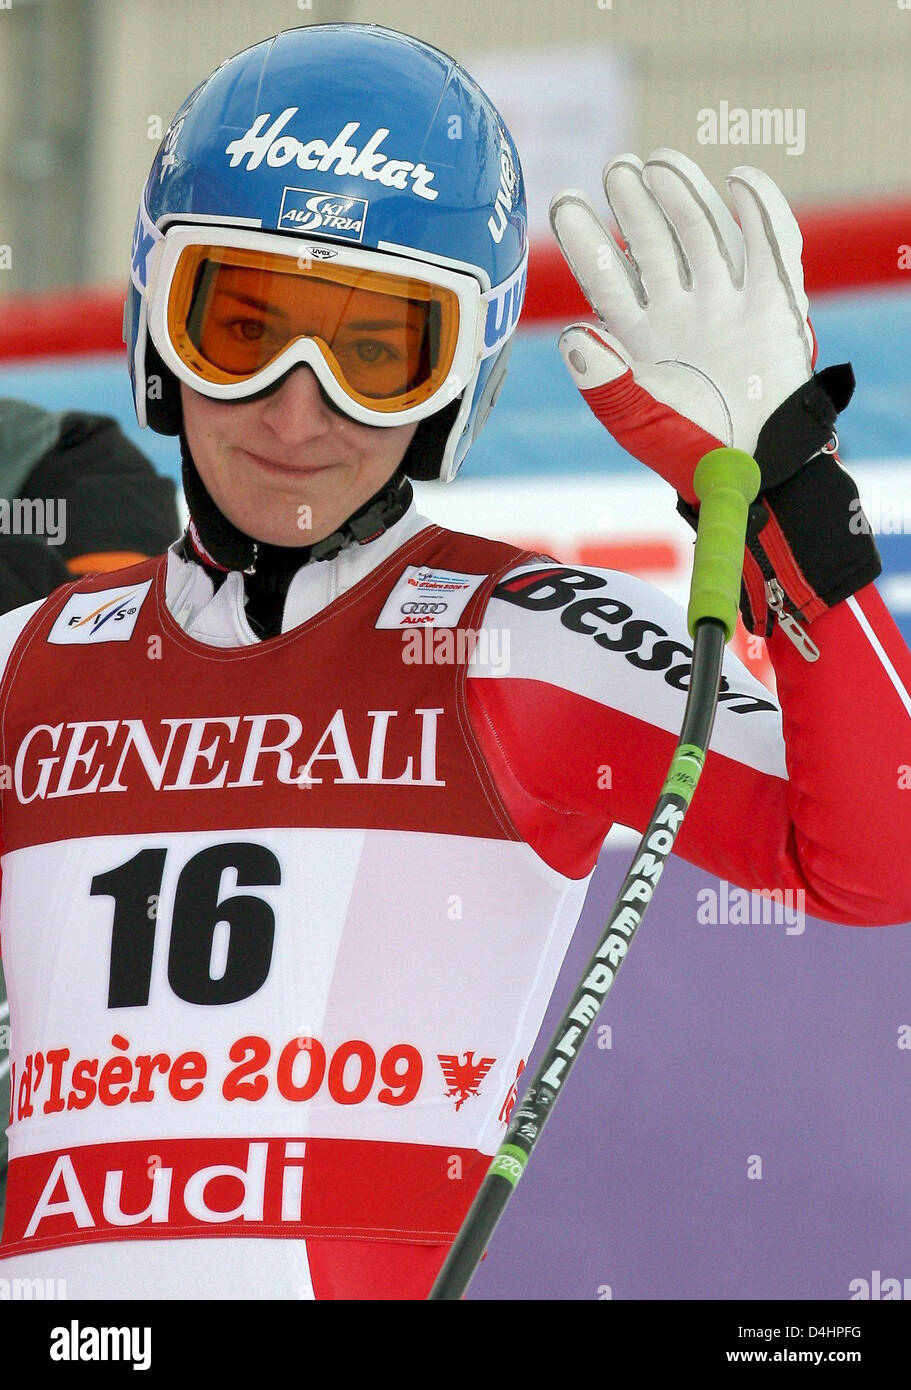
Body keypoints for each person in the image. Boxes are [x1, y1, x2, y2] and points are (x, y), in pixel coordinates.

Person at [0, 22, 908, 1302]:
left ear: (461, 376)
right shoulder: (23, 668)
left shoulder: (515, 631)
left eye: (377, 352)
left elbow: (878, 857)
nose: (296, 407)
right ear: (158, 319)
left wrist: (785, 488)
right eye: (243, 323)